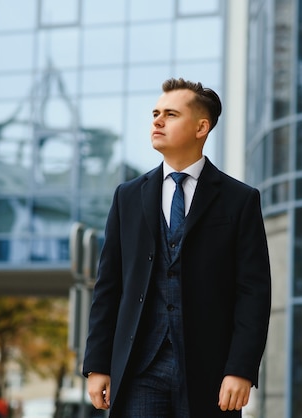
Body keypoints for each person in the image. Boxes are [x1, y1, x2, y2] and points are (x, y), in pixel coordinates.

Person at [82, 77, 271, 417]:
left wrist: (241, 368)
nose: (157, 121)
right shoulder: (127, 197)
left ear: (201, 127)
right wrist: (97, 364)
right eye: (156, 113)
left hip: (211, 373)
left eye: (170, 114)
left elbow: (253, 293)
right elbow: (109, 287)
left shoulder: (239, 200)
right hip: (140, 367)